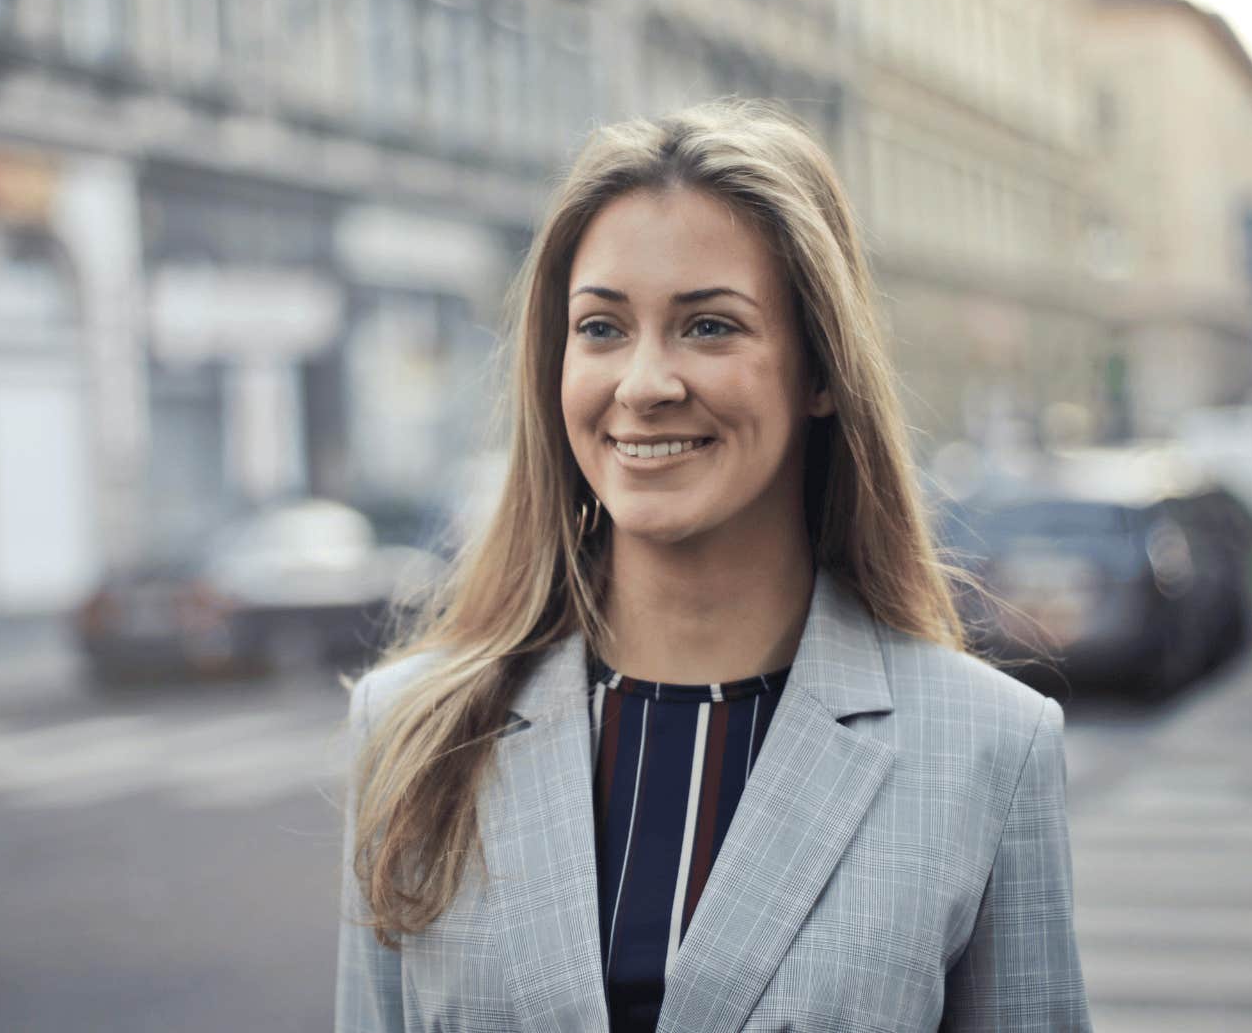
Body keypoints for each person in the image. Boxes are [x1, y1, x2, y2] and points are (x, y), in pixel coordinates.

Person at [336, 100, 1090, 1032]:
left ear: (820, 371)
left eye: (709, 328)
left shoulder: (988, 748)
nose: (646, 384)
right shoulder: (413, 733)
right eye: (603, 329)